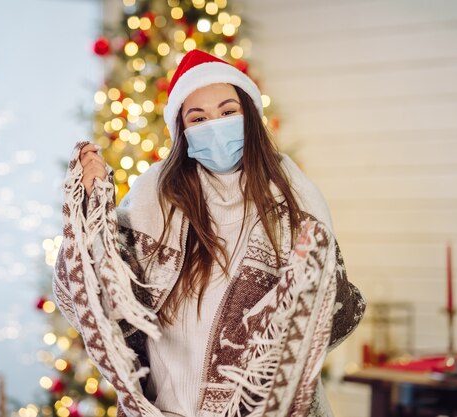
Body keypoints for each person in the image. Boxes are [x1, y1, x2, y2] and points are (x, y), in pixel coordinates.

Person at [53, 49, 365, 417]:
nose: (214, 125)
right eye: (197, 117)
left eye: (228, 112)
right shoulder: (154, 196)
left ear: (249, 115)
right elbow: (96, 290)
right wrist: (91, 209)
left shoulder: (296, 199)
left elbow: (332, 311)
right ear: (182, 131)